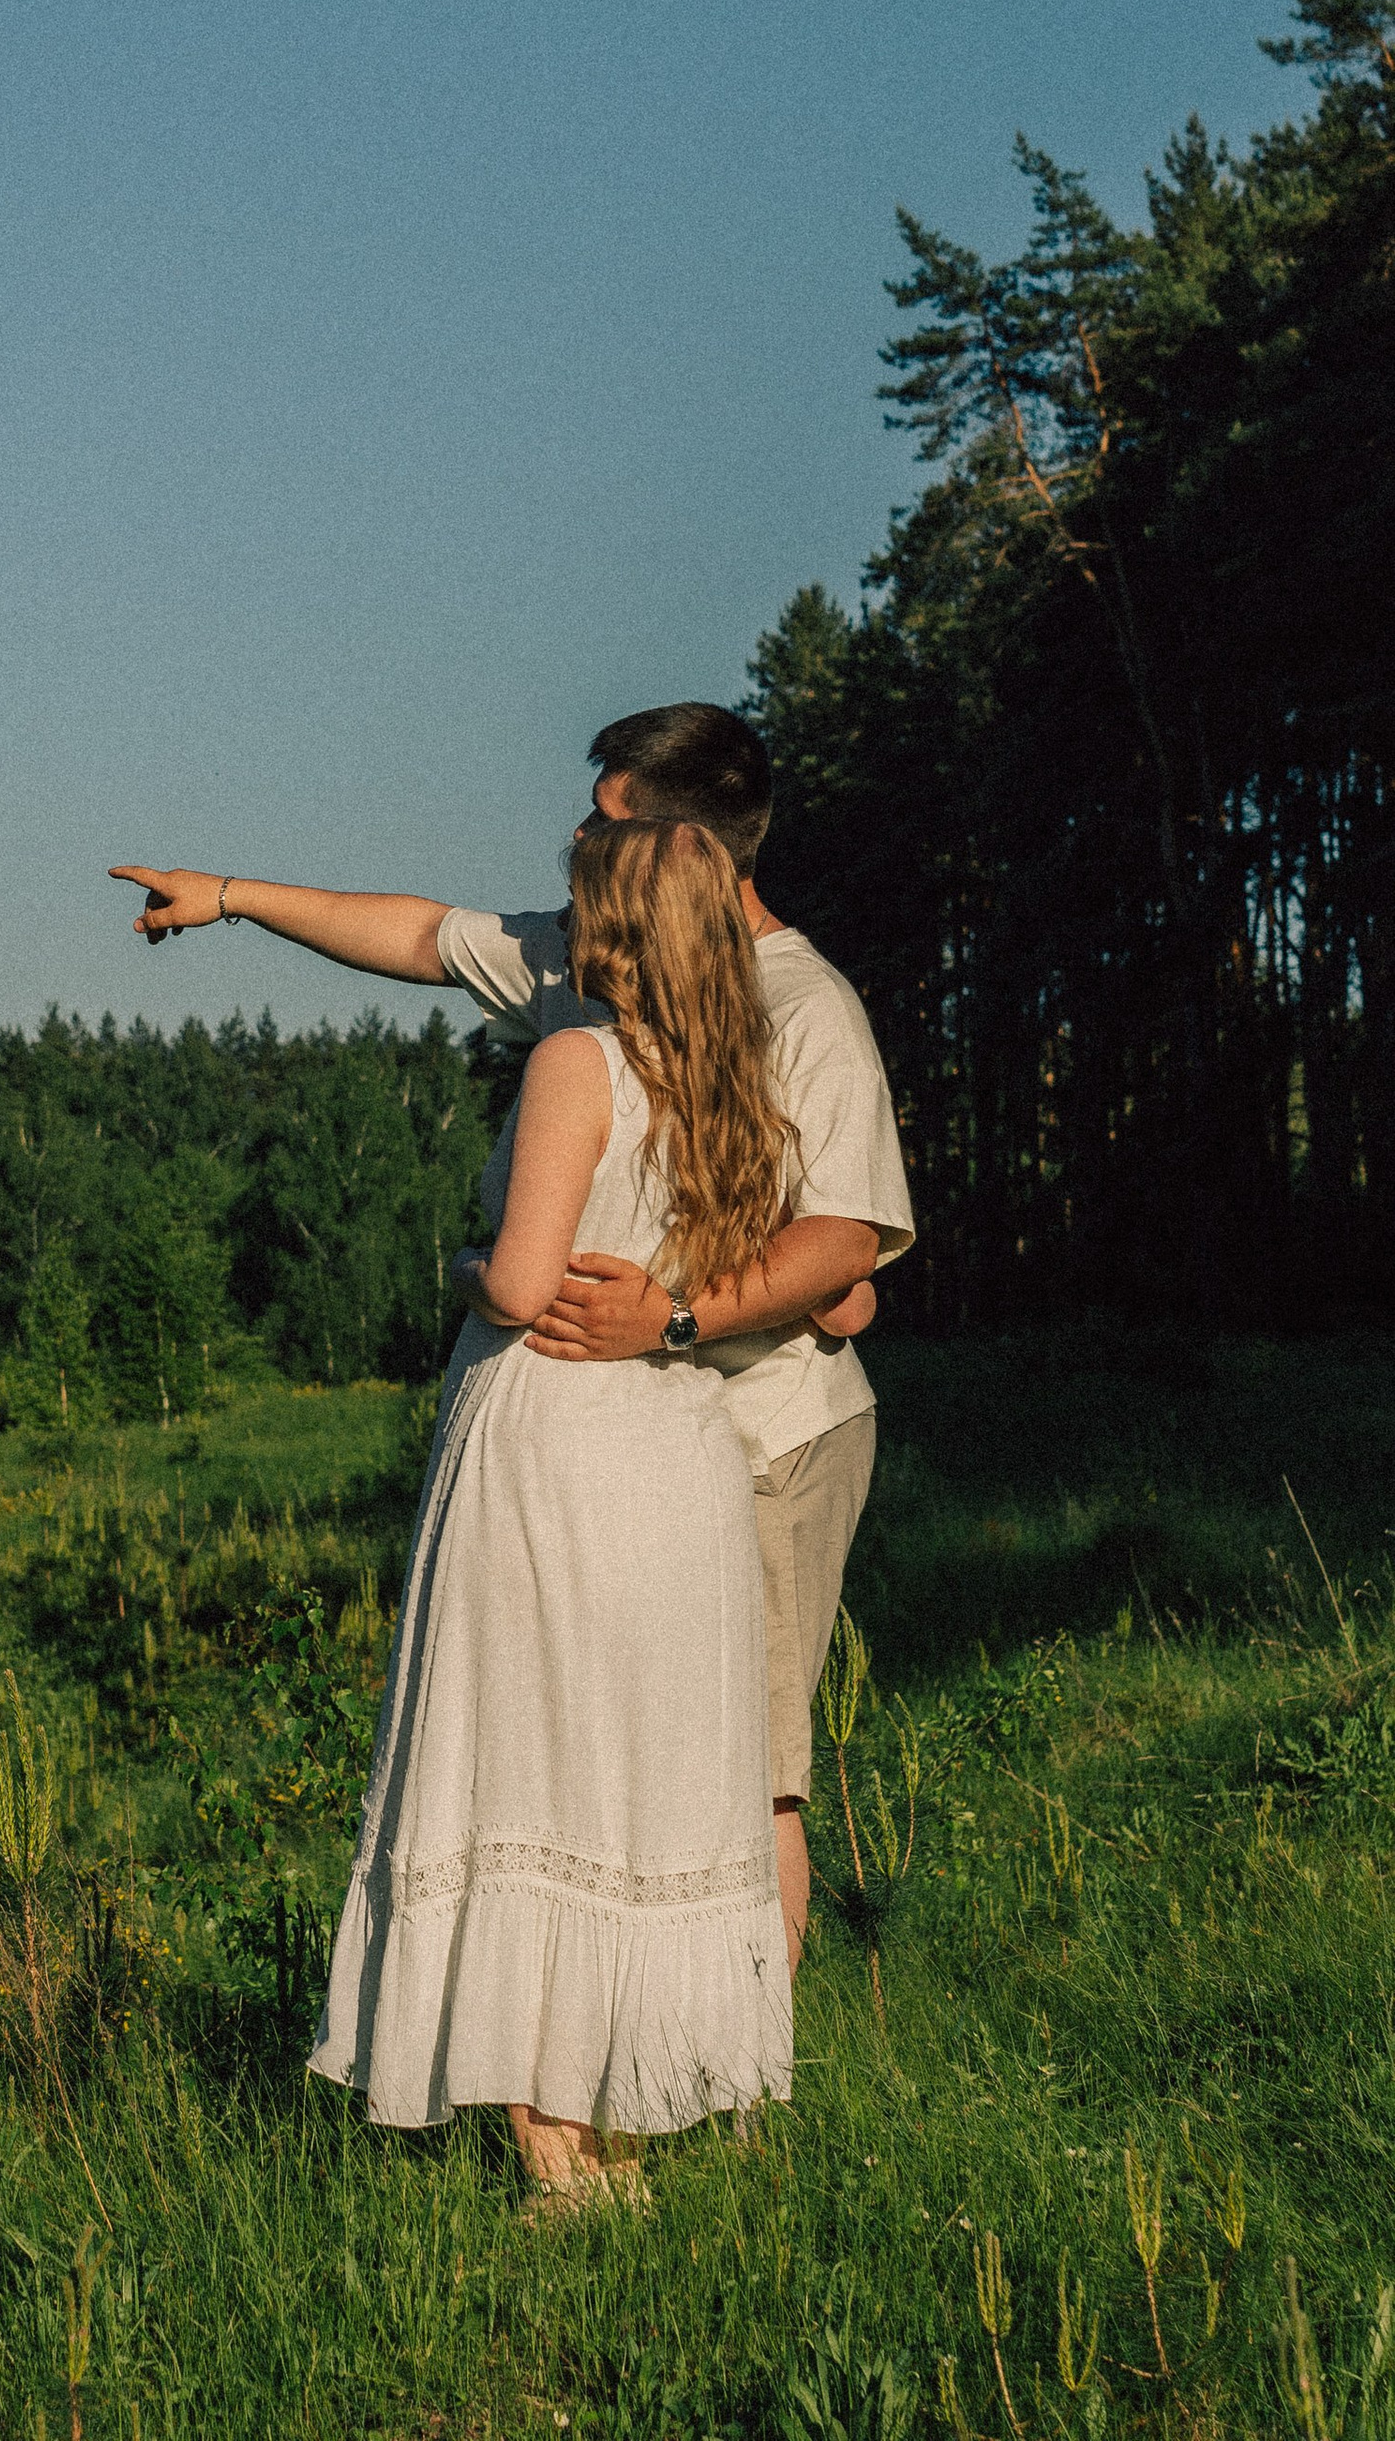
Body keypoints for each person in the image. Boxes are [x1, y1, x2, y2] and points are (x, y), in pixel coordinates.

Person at [110, 699, 916, 1983]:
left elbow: (846, 1251)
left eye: (608, 819)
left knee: (750, 1773)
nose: (577, 847)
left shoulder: (804, 1005)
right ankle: (635, 2050)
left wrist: (675, 1315)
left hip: (762, 1433)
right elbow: (427, 935)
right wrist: (230, 895)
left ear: (687, 848)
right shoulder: (599, 963)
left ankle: (747, 2078)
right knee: (621, 1769)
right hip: (628, 1445)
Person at [308, 811, 797, 2189]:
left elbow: (526, 1285)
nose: (569, 929)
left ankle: (560, 2160)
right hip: (677, 1453)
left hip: (555, 1450)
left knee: (526, 1761)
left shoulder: (580, 1061)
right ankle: (626, 2122)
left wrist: (464, 1264)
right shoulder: (734, 1078)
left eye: (587, 907)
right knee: (640, 1783)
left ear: (622, 931)